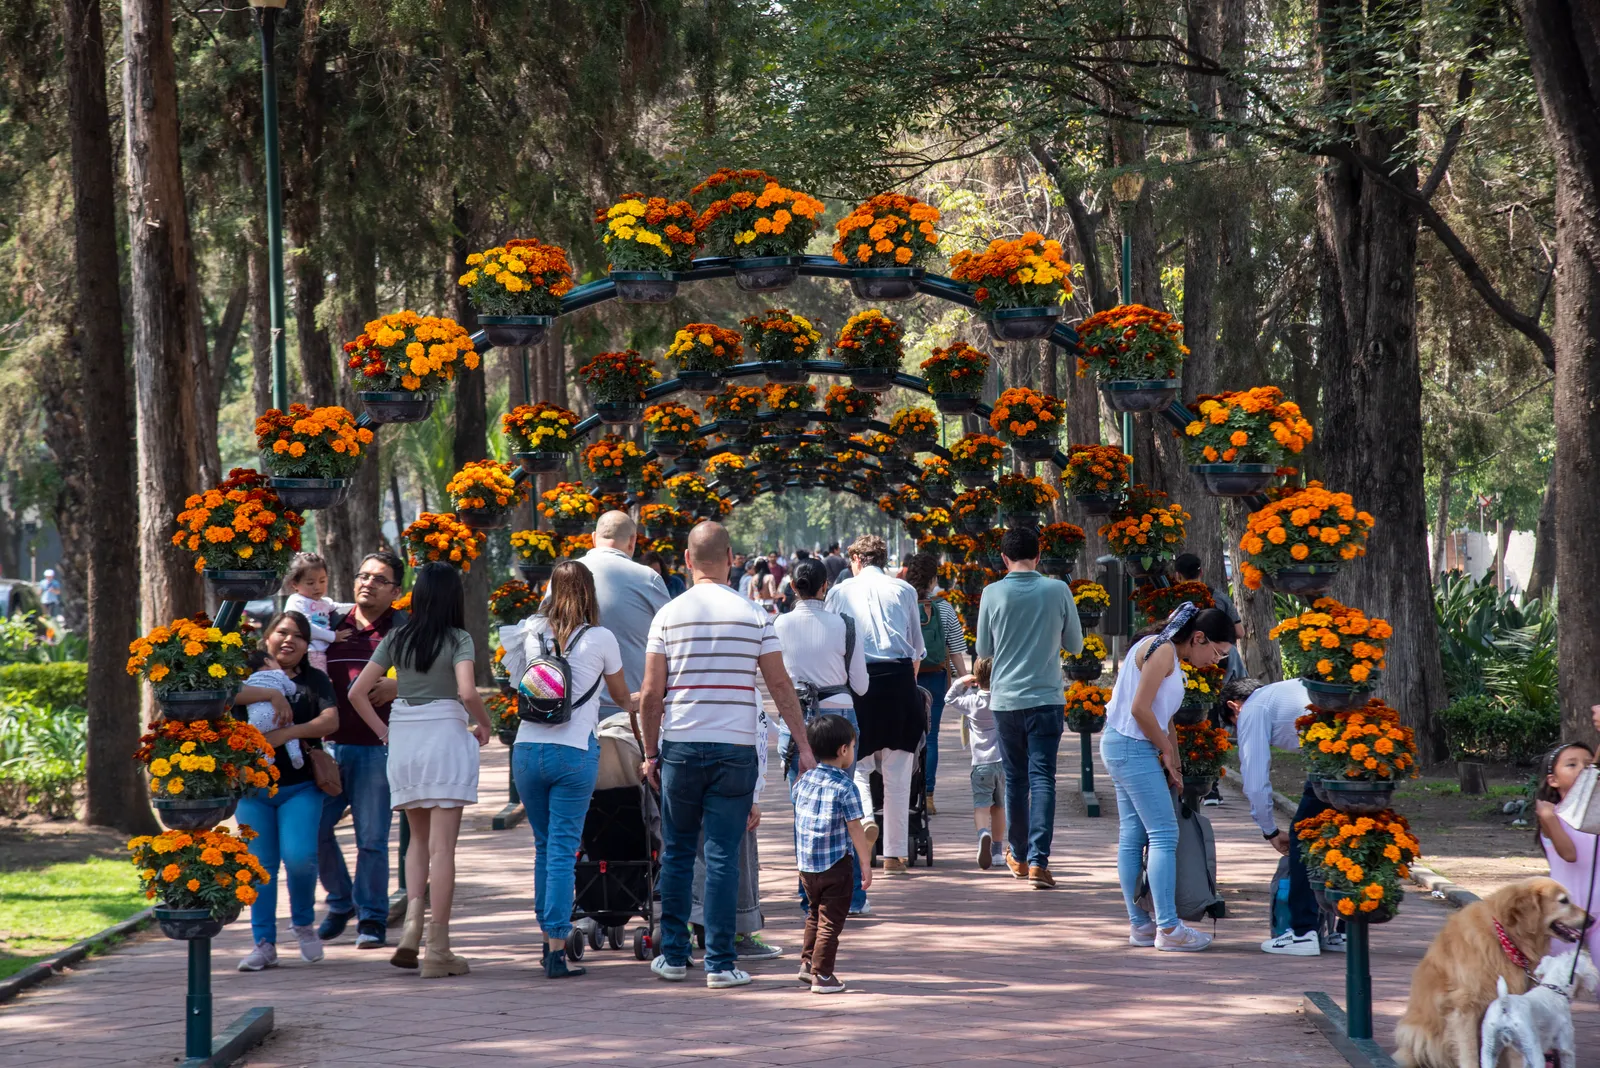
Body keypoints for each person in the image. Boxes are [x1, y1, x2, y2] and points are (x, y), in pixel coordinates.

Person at [638, 521, 815, 989]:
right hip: (735, 747)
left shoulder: (667, 616)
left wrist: (650, 752)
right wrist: (803, 745)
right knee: (721, 854)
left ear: (687, 559)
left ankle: (674, 956)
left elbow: (652, 694)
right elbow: (779, 686)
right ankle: (719, 962)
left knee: (676, 852)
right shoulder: (755, 616)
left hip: (679, 744)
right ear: (732, 557)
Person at [346, 562, 491, 979]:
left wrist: (382, 731)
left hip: (405, 737)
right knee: (444, 849)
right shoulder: (458, 638)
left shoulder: (396, 637)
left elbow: (357, 691)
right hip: (444, 734)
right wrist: (483, 722)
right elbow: (466, 690)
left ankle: (411, 927)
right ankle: (438, 947)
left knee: (416, 843)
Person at [505, 561, 635, 979]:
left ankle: (547, 938)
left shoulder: (531, 633)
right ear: (589, 593)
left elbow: (519, 685)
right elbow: (619, 696)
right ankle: (557, 949)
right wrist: (645, 701)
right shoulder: (600, 637)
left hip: (526, 750)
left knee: (544, 848)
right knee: (562, 850)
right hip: (573, 752)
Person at [1101, 603, 1236, 952]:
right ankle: (1169, 928)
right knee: (1163, 834)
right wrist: (1163, 750)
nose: (1216, 662)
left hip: (1126, 745)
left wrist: (1171, 757)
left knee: (1133, 835)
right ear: (1198, 637)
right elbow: (1140, 710)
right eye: (1218, 653)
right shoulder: (1161, 651)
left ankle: (1141, 926)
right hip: (1132, 747)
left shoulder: (1165, 652)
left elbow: (1165, 715)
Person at [974, 527, 1081, 889]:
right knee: (1043, 778)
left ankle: (1018, 856)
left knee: (1016, 779)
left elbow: (984, 649)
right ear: (1039, 556)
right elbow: (1076, 645)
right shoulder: (1058, 590)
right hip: (1047, 698)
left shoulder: (992, 592)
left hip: (1005, 700)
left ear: (1004, 558)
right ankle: (1039, 862)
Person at [233, 612, 340, 971]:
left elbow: (330, 721)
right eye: (281, 633)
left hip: (301, 787)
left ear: (308, 645)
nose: (288, 640)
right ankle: (263, 944)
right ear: (267, 638)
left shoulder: (315, 679)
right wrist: (271, 695)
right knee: (260, 868)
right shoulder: (243, 677)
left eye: (298, 636)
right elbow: (227, 697)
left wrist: (287, 733)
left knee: (299, 857)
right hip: (253, 791)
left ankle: (303, 924)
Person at [316, 551, 405, 949]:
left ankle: (371, 918)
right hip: (326, 750)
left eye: (379, 579)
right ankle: (339, 902)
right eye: (362, 575)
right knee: (314, 830)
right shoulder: (329, 624)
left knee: (371, 839)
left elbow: (436, 677)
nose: (367, 582)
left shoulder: (404, 629)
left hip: (376, 749)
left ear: (396, 591)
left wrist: (398, 686)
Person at [774, 557, 871, 913]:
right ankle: (852, 898)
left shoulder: (779, 624)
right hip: (839, 715)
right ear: (824, 585)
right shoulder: (845, 625)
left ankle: (808, 898)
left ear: (793, 587)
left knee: (804, 810)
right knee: (845, 810)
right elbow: (860, 684)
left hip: (795, 718)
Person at [825, 534, 924, 876]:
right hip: (899, 680)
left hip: (858, 682)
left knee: (859, 765)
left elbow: (831, 640)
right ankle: (894, 856)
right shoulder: (905, 590)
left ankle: (866, 819)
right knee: (898, 772)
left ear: (855, 560)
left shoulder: (839, 593)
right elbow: (915, 651)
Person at [1218, 677, 1339, 955]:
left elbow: (1255, 779)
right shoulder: (1281, 692)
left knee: (1302, 836)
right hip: (1356, 746)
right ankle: (1342, 932)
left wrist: (1270, 830)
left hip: (1331, 758)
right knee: (1340, 837)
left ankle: (1302, 933)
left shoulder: (1252, 709)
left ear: (1234, 708)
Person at [792, 714, 873, 995]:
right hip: (836, 865)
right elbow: (855, 827)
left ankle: (807, 963)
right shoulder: (846, 787)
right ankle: (823, 975)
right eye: (852, 746)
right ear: (843, 750)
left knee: (814, 915)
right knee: (830, 922)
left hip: (807, 866)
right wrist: (865, 862)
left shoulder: (803, 781)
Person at [902, 552, 968, 815]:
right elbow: (956, 649)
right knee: (931, 737)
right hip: (937, 678)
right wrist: (964, 679)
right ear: (933, 578)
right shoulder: (943, 607)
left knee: (904, 736)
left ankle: (904, 791)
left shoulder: (900, 605)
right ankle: (928, 796)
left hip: (905, 677)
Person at [1535, 741, 1598, 962]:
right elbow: (1569, 854)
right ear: (1553, 780)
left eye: (1588, 764)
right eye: (1571, 765)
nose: (1582, 768)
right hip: (1563, 914)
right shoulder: (1552, 816)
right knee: (1558, 983)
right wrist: (1548, 818)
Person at [945, 657, 1005, 869]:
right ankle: (998, 851)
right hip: (1003, 763)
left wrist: (962, 681)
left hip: (981, 763)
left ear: (977, 678)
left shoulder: (971, 701)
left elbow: (949, 698)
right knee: (999, 807)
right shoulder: (1002, 699)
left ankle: (983, 833)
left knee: (981, 806)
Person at [282, 552, 350, 673]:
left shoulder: (324, 602)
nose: (317, 587)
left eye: (322, 581)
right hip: (307, 652)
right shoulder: (296, 601)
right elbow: (304, 627)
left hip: (322, 652)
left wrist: (359, 606)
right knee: (318, 685)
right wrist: (333, 637)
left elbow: (339, 606)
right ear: (295, 584)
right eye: (310, 583)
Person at [242, 648, 303, 769]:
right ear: (268, 661)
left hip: (256, 719)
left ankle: (267, 758)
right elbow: (291, 689)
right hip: (279, 716)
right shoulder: (278, 674)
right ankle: (295, 755)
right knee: (290, 729)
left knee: (255, 738)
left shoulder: (248, 680)